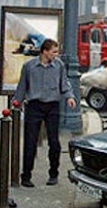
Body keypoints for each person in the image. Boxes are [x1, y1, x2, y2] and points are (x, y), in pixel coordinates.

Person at [12, 39, 77, 188]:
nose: (56, 54)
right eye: (54, 51)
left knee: (54, 142)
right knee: (30, 142)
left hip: (53, 106)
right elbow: (22, 87)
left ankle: (53, 174)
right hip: (34, 106)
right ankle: (26, 175)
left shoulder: (59, 65)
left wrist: (70, 97)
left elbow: (64, 83)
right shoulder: (29, 67)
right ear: (45, 51)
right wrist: (16, 104)